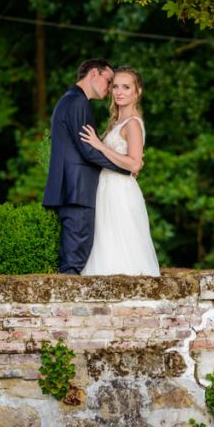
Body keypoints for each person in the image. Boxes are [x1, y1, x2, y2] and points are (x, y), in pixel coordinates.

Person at [43, 59, 133, 275]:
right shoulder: (78, 103)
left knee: (75, 259)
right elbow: (88, 151)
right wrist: (126, 168)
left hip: (71, 190)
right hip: (77, 191)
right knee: (74, 263)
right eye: (109, 80)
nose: (110, 88)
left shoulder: (69, 100)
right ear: (94, 73)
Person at [78, 66, 160, 276]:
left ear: (137, 92)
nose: (119, 92)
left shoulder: (132, 123)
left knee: (122, 244)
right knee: (106, 244)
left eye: (126, 87)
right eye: (115, 86)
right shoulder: (116, 122)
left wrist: (100, 145)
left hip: (120, 192)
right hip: (106, 190)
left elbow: (134, 163)